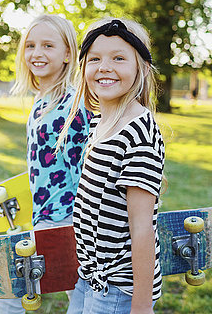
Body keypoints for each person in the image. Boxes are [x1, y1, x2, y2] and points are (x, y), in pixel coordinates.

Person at [57, 18, 165, 314]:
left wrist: (142, 306)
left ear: (141, 67)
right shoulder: (99, 123)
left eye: (118, 58)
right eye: (95, 59)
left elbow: (142, 228)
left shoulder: (138, 133)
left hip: (119, 289)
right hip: (90, 277)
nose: (105, 67)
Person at [0, 14, 91, 314]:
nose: (37, 53)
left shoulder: (76, 102)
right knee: (14, 291)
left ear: (67, 55)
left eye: (48, 45)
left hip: (70, 220)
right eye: (30, 46)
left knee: (77, 297)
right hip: (44, 216)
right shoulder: (41, 100)